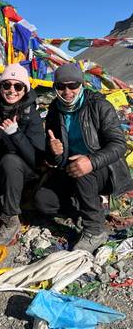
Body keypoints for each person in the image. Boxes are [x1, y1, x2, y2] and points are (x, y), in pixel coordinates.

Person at [36, 63, 133, 253]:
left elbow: (118, 144)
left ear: (81, 84)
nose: (67, 92)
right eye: (61, 86)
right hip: (71, 169)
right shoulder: (56, 109)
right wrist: (54, 152)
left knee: (81, 168)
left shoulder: (99, 105)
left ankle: (95, 229)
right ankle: (88, 204)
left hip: (104, 169)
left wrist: (91, 161)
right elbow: (57, 159)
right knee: (43, 201)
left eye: (72, 85)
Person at [0, 63, 45, 245]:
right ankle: (5, 201)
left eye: (18, 86)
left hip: (23, 174)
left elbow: (35, 159)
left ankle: (11, 217)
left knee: (10, 160)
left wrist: (15, 134)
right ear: (0, 87)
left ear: (25, 89)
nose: (12, 90)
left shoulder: (31, 115)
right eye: (7, 85)